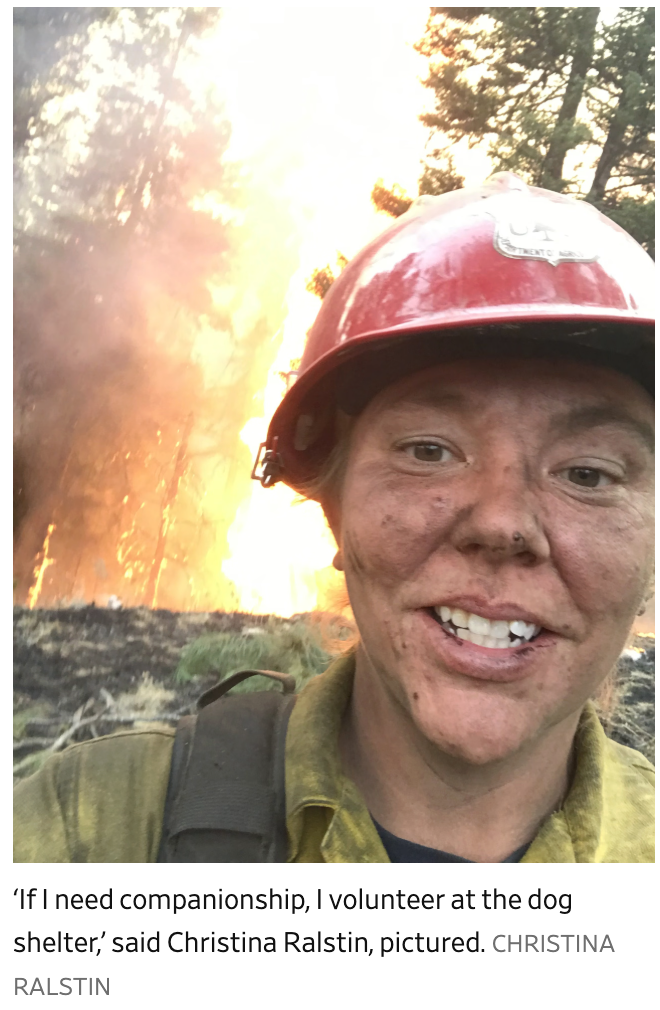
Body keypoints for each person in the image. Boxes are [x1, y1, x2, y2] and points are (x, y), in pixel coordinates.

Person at [14, 172, 654, 863]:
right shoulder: (88, 827)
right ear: (332, 503)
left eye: (588, 474)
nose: (501, 524)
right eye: (429, 451)